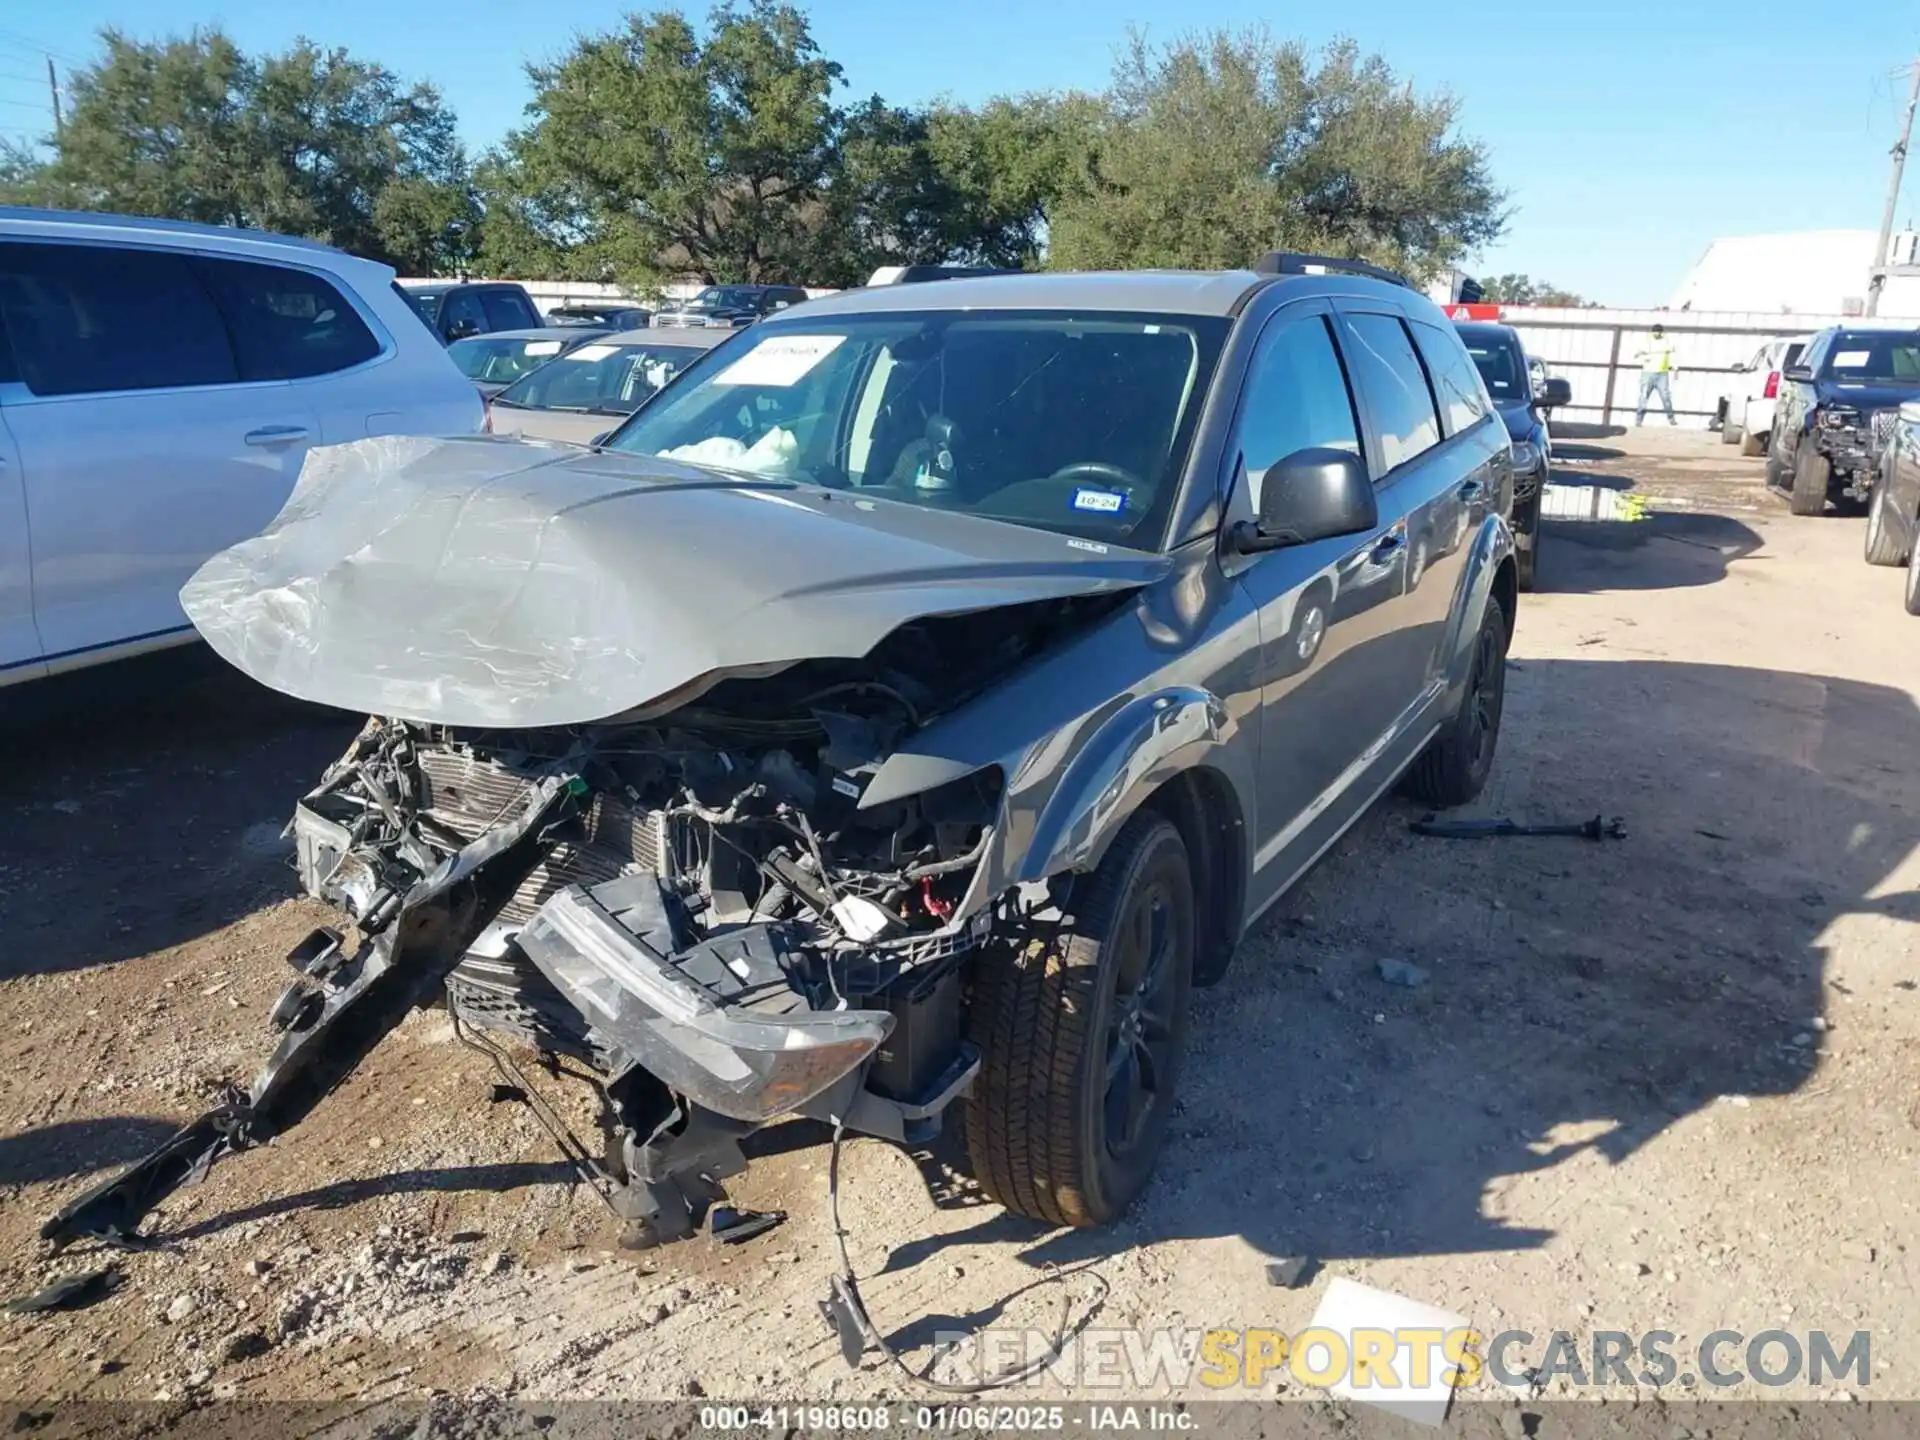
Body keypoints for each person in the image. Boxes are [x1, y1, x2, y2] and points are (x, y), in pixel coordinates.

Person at [1634, 324, 1678, 425]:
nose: (1657, 334)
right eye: (1656, 332)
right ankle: (1639, 419)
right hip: (1648, 372)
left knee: (1665, 396)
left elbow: (1673, 355)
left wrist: (1674, 366)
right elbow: (1636, 355)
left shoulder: (1667, 342)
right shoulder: (1645, 341)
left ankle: (1671, 417)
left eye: (1659, 332)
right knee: (1644, 396)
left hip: (1662, 372)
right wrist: (1644, 360)